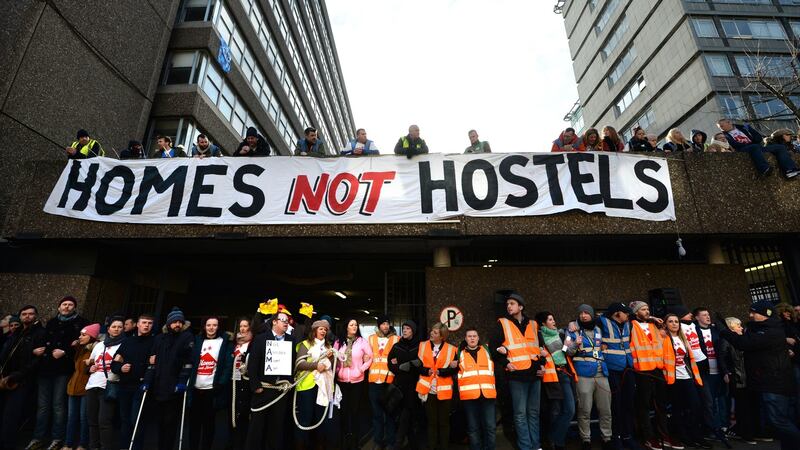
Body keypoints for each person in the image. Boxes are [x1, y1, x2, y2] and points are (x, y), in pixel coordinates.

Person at [720, 300, 800, 450]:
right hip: (772, 382)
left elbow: (744, 343)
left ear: (766, 315)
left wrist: (725, 332)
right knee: (780, 420)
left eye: (754, 312)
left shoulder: (769, 331)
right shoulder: (766, 329)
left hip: (774, 384)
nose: (750, 315)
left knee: (779, 421)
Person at [26, 296, 88, 450]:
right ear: (59, 307)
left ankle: (57, 438)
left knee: (59, 405)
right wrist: (37, 350)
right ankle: (38, 438)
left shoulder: (81, 323)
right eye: (64, 304)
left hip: (63, 369)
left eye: (70, 304)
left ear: (75, 307)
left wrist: (65, 352)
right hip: (46, 368)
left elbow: (80, 346)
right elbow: (45, 341)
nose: (66, 307)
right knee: (42, 406)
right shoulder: (52, 322)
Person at [489, 293, 544, 450]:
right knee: (520, 415)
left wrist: (541, 365)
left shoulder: (533, 324)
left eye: (512, 303)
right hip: (516, 376)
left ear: (521, 307)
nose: (509, 306)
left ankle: (536, 446)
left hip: (534, 375)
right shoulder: (503, 324)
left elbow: (540, 348)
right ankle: (525, 446)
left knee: (534, 413)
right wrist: (506, 363)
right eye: (507, 304)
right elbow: (493, 349)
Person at [143, 307, 194, 450]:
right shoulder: (160, 338)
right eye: (174, 322)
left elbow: (188, 361)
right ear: (169, 323)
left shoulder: (187, 337)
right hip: (159, 385)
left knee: (170, 422)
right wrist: (147, 380)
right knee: (159, 422)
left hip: (174, 387)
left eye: (180, 322)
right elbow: (151, 361)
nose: (177, 324)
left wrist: (182, 381)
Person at [629, 301, 677, 450]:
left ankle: (663, 435)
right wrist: (652, 318)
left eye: (648, 308)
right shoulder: (631, 325)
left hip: (657, 369)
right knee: (643, 405)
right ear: (636, 312)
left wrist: (653, 320)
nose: (647, 311)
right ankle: (648, 437)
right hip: (641, 370)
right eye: (643, 309)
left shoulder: (653, 326)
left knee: (661, 404)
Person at [245, 310, 297, 450]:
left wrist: (289, 383)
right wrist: (255, 385)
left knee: (277, 427)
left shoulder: (291, 340)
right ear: (274, 322)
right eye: (283, 320)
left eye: (287, 320)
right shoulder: (261, 338)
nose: (286, 322)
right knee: (257, 426)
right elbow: (253, 364)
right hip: (262, 389)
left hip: (281, 391)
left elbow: (293, 364)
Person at [566, 304, 612, 450]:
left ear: (592, 314)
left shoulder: (598, 328)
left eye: (587, 313)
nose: (583, 315)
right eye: (581, 313)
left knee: (605, 409)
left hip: (601, 373)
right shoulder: (571, 330)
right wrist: (574, 343)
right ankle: (586, 439)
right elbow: (566, 351)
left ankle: (607, 438)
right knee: (584, 410)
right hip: (584, 374)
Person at [0, 306, 46, 450]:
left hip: (22, 380)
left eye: (31, 314)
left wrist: (16, 376)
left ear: (36, 316)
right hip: (5, 378)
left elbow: (36, 362)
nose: (27, 316)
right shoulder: (16, 333)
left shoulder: (40, 333)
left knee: (11, 416)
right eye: (24, 314)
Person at [597, 302, 638, 450]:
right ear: (616, 313)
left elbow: (641, 319)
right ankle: (617, 437)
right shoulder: (601, 322)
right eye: (625, 312)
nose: (628, 315)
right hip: (612, 369)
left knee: (629, 403)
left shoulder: (628, 323)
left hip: (627, 368)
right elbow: (584, 322)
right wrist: (572, 325)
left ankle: (628, 436)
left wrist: (653, 318)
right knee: (616, 405)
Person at [188, 316, 233, 450]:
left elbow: (227, 365)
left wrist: (220, 383)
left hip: (211, 389)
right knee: (194, 424)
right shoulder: (198, 340)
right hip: (196, 388)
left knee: (209, 424)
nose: (211, 328)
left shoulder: (224, 342)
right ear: (204, 327)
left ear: (218, 327)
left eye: (214, 325)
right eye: (208, 325)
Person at [111, 314, 155, 450]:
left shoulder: (155, 342)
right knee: (124, 420)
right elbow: (114, 364)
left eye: (149, 323)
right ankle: (124, 446)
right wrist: (121, 368)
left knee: (136, 420)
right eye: (144, 322)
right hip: (124, 386)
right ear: (138, 324)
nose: (147, 325)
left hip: (141, 386)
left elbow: (154, 364)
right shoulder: (127, 342)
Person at [663, 314, 707, 449]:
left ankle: (696, 435)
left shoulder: (683, 338)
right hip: (673, 379)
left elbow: (689, 359)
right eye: (670, 321)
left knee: (695, 406)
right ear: (665, 324)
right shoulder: (663, 339)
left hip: (687, 377)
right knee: (678, 409)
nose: (674, 324)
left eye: (676, 321)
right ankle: (684, 437)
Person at [535, 311, 575, 450]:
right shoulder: (540, 336)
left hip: (564, 374)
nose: (554, 322)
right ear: (543, 323)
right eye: (550, 319)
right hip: (551, 376)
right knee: (554, 411)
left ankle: (554, 438)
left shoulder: (561, 334)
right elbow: (547, 354)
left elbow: (566, 352)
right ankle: (555, 443)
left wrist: (568, 344)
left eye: (553, 319)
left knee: (570, 409)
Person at [295, 320, 337, 450]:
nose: (323, 331)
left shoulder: (328, 347)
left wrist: (330, 358)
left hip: (323, 387)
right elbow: (299, 364)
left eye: (325, 329)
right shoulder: (305, 345)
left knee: (321, 420)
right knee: (305, 420)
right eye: (321, 329)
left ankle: (319, 446)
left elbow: (330, 366)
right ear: (314, 331)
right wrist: (315, 365)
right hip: (307, 386)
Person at [692, 307, 732, 444]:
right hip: (704, 372)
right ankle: (712, 429)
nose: (707, 317)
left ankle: (723, 427)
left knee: (721, 400)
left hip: (719, 371)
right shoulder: (694, 332)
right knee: (709, 403)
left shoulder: (716, 330)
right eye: (704, 315)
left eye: (708, 314)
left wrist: (726, 371)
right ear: (697, 318)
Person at [85, 316, 125, 450]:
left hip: (109, 385)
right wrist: (89, 368)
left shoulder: (125, 344)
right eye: (114, 327)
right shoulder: (99, 345)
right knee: (92, 420)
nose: (116, 329)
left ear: (123, 329)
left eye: (120, 327)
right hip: (92, 384)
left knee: (104, 421)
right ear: (108, 329)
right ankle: (93, 447)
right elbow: (90, 363)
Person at [417, 322, 458, 450]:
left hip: (444, 391)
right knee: (431, 423)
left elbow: (455, 368)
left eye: (435, 332)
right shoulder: (422, 345)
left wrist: (443, 372)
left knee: (444, 423)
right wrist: (425, 371)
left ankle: (444, 447)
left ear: (442, 336)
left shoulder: (452, 349)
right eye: (432, 331)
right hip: (428, 390)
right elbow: (417, 365)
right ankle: (432, 447)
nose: (431, 333)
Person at [333, 318, 372, 450]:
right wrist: (338, 371)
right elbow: (334, 359)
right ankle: (345, 438)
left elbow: (370, 357)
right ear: (346, 327)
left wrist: (360, 370)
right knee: (343, 412)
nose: (354, 326)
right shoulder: (338, 342)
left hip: (357, 382)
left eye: (356, 324)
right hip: (342, 382)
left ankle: (355, 440)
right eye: (351, 324)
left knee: (354, 412)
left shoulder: (362, 342)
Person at [717, 118, 800, 178]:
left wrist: (750, 128)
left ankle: (790, 170)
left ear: (729, 122)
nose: (721, 128)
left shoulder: (743, 127)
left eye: (722, 126)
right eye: (720, 127)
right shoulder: (724, 134)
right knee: (754, 146)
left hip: (756, 147)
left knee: (780, 147)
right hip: (742, 149)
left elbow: (758, 138)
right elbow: (734, 144)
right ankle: (764, 169)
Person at [458, 328, 496, 450]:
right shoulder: (460, 353)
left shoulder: (487, 350)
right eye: (469, 336)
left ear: (478, 338)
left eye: (474, 336)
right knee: (473, 428)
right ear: (465, 339)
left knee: (490, 427)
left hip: (488, 395)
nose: (472, 338)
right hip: (469, 397)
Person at [388, 320, 424, 450]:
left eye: (408, 328)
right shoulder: (397, 346)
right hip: (400, 386)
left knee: (409, 414)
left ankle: (400, 442)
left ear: (413, 331)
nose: (405, 330)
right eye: (404, 328)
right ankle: (411, 442)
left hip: (415, 386)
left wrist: (414, 364)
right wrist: (400, 367)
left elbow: (422, 362)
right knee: (403, 414)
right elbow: (390, 364)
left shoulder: (419, 346)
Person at [722, 317, 759, 445]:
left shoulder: (744, 339)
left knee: (750, 405)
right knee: (743, 407)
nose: (742, 328)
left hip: (749, 378)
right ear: (731, 327)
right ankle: (745, 433)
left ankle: (751, 432)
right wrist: (727, 372)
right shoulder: (726, 341)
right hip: (737, 379)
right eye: (738, 326)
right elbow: (723, 358)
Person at [65, 323, 99, 450]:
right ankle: (68, 444)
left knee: (84, 418)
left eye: (83, 335)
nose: (80, 337)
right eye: (80, 334)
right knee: (71, 418)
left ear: (91, 336)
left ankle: (82, 444)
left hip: (86, 388)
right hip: (73, 387)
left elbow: (88, 370)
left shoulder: (95, 349)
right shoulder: (80, 348)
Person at [367, 316, 399, 450]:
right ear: (379, 325)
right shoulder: (371, 339)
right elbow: (365, 355)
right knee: (377, 415)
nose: (386, 326)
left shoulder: (396, 339)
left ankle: (391, 442)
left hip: (389, 381)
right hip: (374, 381)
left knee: (390, 414)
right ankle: (378, 441)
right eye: (383, 324)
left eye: (387, 324)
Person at [231, 317, 253, 450]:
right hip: (234, 380)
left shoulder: (252, 344)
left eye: (245, 326)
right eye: (241, 326)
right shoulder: (234, 343)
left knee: (244, 413)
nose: (243, 329)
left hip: (246, 381)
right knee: (233, 413)